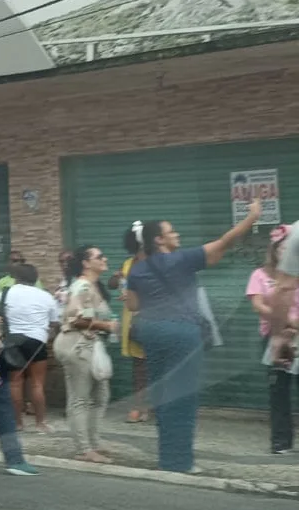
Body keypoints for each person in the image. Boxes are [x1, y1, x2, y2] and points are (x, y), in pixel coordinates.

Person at [125, 199, 261, 473]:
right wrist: (253, 216)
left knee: (162, 395)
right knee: (182, 397)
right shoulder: (181, 259)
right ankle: (180, 463)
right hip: (180, 332)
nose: (177, 234)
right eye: (172, 231)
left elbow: (132, 305)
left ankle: (167, 459)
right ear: (159, 239)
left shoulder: (137, 268)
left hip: (151, 333)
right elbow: (225, 242)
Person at [56, 246, 116, 464]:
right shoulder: (82, 286)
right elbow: (75, 319)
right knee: (80, 398)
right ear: (85, 263)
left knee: (100, 395)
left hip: (89, 344)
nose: (104, 259)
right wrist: (107, 325)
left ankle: (94, 441)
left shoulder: (92, 286)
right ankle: (84, 448)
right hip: (76, 345)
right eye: (99, 256)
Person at [248, 224, 299, 454]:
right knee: (279, 391)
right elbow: (259, 305)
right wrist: (285, 320)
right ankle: (281, 442)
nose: (285, 252)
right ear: (274, 250)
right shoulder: (260, 275)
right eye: (282, 248)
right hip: (274, 336)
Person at [2, 262, 58, 433]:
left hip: (13, 340)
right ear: (36, 278)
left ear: (17, 277)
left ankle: (18, 423)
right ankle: (40, 423)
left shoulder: (7, 293)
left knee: (14, 383)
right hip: (37, 341)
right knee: (37, 384)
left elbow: (0, 312)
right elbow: (54, 322)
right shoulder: (46, 296)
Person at [112, 223, 149, 423]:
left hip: (152, 318)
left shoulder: (155, 262)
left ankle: (156, 406)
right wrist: (117, 277)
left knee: (158, 366)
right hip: (133, 321)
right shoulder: (128, 264)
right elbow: (112, 284)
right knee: (139, 367)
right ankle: (139, 407)